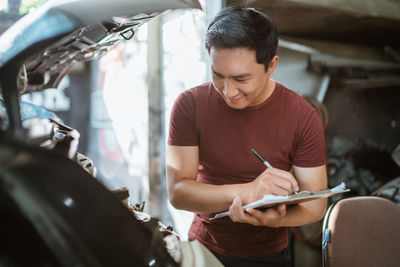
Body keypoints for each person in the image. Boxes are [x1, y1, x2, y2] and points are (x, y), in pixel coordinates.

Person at [166, 6, 327, 267]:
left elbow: (315, 204)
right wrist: (249, 191)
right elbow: (178, 191)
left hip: (269, 256)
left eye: (241, 78)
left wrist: (277, 220)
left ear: (271, 65)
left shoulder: (302, 116)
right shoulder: (189, 105)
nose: (229, 91)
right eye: (218, 75)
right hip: (203, 249)